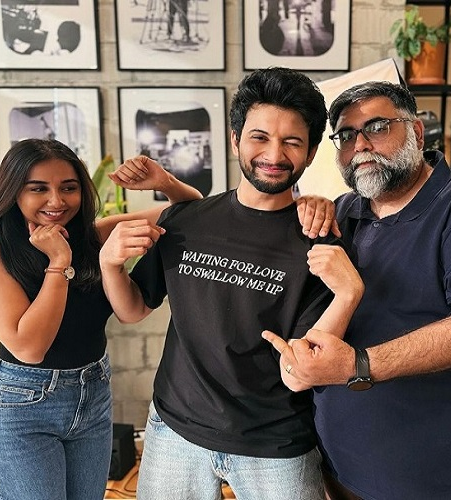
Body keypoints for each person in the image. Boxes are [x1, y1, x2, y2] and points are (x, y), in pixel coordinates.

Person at [263, 81, 451, 500]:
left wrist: (358, 364)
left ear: (415, 132)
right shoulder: (344, 213)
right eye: (346, 135)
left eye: (377, 127)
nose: (360, 145)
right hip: (346, 477)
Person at [99, 67, 364, 499]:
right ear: (235, 138)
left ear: (312, 151)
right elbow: (134, 309)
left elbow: (301, 369)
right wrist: (110, 265)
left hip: (275, 444)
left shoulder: (320, 243)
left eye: (292, 142)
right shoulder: (186, 220)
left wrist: (348, 293)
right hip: (174, 431)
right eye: (260, 137)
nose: (274, 155)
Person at [0, 138, 203, 500]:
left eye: (68, 188)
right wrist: (58, 263)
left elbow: (193, 212)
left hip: (92, 397)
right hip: (22, 409)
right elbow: (30, 347)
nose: (56, 201)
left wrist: (164, 182)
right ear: (13, 192)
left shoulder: (95, 236)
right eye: (38, 189)